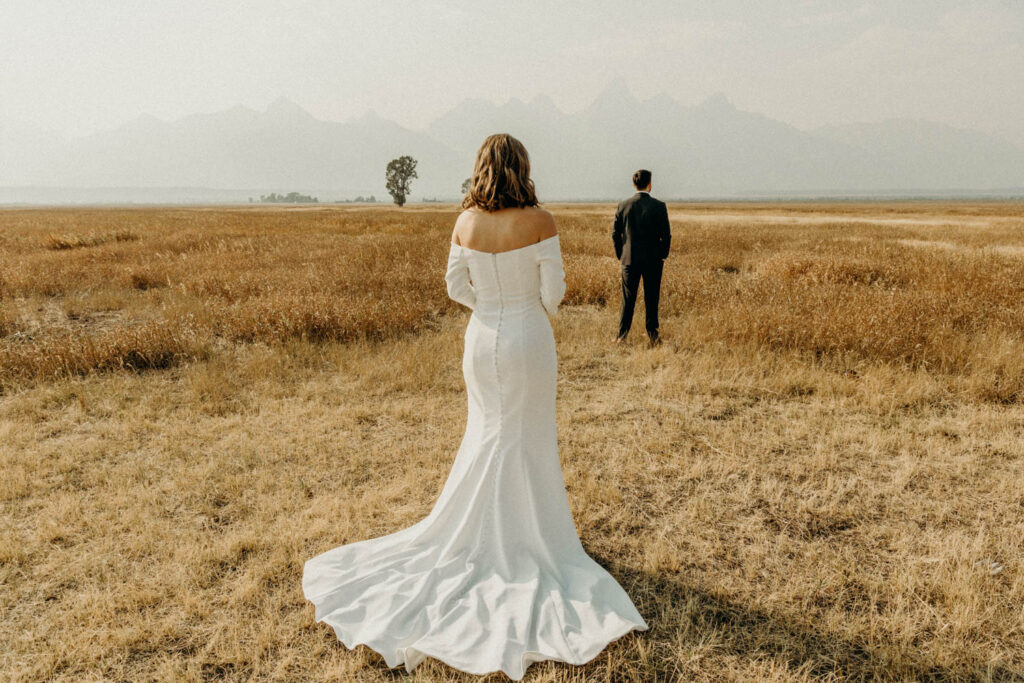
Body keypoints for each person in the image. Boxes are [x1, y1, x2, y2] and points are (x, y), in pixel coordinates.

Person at [302, 133, 648, 680]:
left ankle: (477, 534)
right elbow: (553, 294)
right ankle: (526, 538)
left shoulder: (464, 222)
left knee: (487, 434)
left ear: (481, 168)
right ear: (522, 167)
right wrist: (522, 307)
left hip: (481, 339)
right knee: (527, 438)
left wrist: (489, 306)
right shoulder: (541, 221)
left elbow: (452, 287)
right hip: (529, 341)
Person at [612, 169, 671, 345]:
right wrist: (662, 255)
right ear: (650, 184)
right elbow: (666, 235)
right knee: (652, 299)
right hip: (653, 261)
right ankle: (653, 336)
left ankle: (622, 336)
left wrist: (621, 255)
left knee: (627, 300)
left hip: (629, 260)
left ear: (634, 184)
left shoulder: (623, 205)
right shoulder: (659, 206)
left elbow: (615, 234)